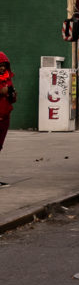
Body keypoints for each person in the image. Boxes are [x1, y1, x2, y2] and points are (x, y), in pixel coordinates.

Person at [0, 52, 16, 186]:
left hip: (4, 117)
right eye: (0, 65)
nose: (2, 68)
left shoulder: (7, 78)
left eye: (4, 65)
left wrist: (12, 94)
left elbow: (12, 99)